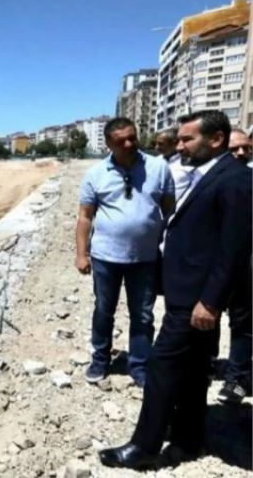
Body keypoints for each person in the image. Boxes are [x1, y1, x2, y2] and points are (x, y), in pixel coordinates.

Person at [99, 110, 252, 470]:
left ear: (215, 140)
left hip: (197, 300)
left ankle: (145, 447)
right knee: (195, 371)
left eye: (187, 139)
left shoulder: (234, 181)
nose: (178, 145)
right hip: (191, 294)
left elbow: (234, 249)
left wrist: (210, 303)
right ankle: (188, 439)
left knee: (162, 368)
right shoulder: (214, 173)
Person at [76, 118, 175, 387]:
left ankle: (139, 365)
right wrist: (81, 254)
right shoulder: (95, 174)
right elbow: (85, 217)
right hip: (105, 257)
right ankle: (100, 359)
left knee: (143, 314)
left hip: (145, 258)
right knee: (103, 310)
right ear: (109, 144)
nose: (129, 144)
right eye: (121, 141)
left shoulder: (158, 168)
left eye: (133, 137)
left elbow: (169, 209)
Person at [216, 127, 253, 404]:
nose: (241, 153)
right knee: (207, 318)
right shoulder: (207, 180)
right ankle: (206, 364)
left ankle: (237, 378)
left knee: (243, 323)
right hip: (213, 265)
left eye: (245, 148)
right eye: (234, 148)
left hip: (245, 266)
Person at [156, 128, 193, 201]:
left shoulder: (189, 164)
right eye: (156, 144)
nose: (156, 147)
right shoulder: (155, 161)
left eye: (161, 144)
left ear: (174, 144)